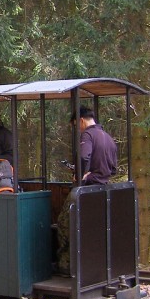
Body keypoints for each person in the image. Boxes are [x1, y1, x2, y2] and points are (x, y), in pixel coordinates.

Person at [56, 107, 118, 275]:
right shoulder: (108, 137)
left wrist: (80, 175)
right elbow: (113, 169)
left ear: (81, 121)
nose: (78, 129)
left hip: (85, 190)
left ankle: (66, 266)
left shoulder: (88, 135)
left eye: (76, 125)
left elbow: (84, 156)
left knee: (64, 223)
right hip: (102, 190)